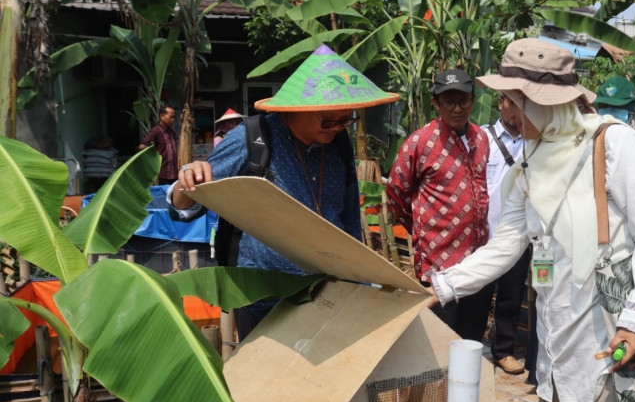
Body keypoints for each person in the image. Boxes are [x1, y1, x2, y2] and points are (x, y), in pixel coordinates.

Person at [426, 37, 635, 402]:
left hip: (612, 337)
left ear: (543, 103)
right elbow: (507, 243)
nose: (506, 111)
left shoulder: (615, 146)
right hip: (559, 335)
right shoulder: (531, 159)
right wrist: (442, 286)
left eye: (513, 100)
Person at [168, 44, 399, 340]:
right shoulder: (251, 139)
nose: (337, 128)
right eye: (329, 120)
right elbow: (184, 207)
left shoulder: (338, 143)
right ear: (296, 109)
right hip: (263, 299)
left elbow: (349, 220)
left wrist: (359, 280)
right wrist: (187, 179)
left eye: (346, 120)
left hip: (326, 292)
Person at [386, 69, 494, 342]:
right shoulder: (420, 142)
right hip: (439, 261)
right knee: (440, 341)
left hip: (478, 261)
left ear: (473, 100)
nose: (457, 108)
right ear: (436, 102)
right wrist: (420, 227)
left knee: (471, 340)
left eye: (464, 101)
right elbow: (396, 190)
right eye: (449, 101)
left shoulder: (481, 139)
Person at [482, 94, 533, 375]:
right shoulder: (482, 138)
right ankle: (469, 343)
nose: (516, 112)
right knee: (477, 293)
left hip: (517, 234)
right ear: (501, 102)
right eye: (512, 103)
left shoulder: (533, 141)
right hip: (484, 233)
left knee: (511, 296)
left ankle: (504, 351)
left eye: (521, 105)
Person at [139, 103, 178, 185]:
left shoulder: (172, 133)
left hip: (174, 173)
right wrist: (155, 156)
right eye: (170, 117)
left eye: (174, 117)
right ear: (162, 116)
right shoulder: (156, 131)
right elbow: (142, 147)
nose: (173, 120)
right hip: (162, 174)